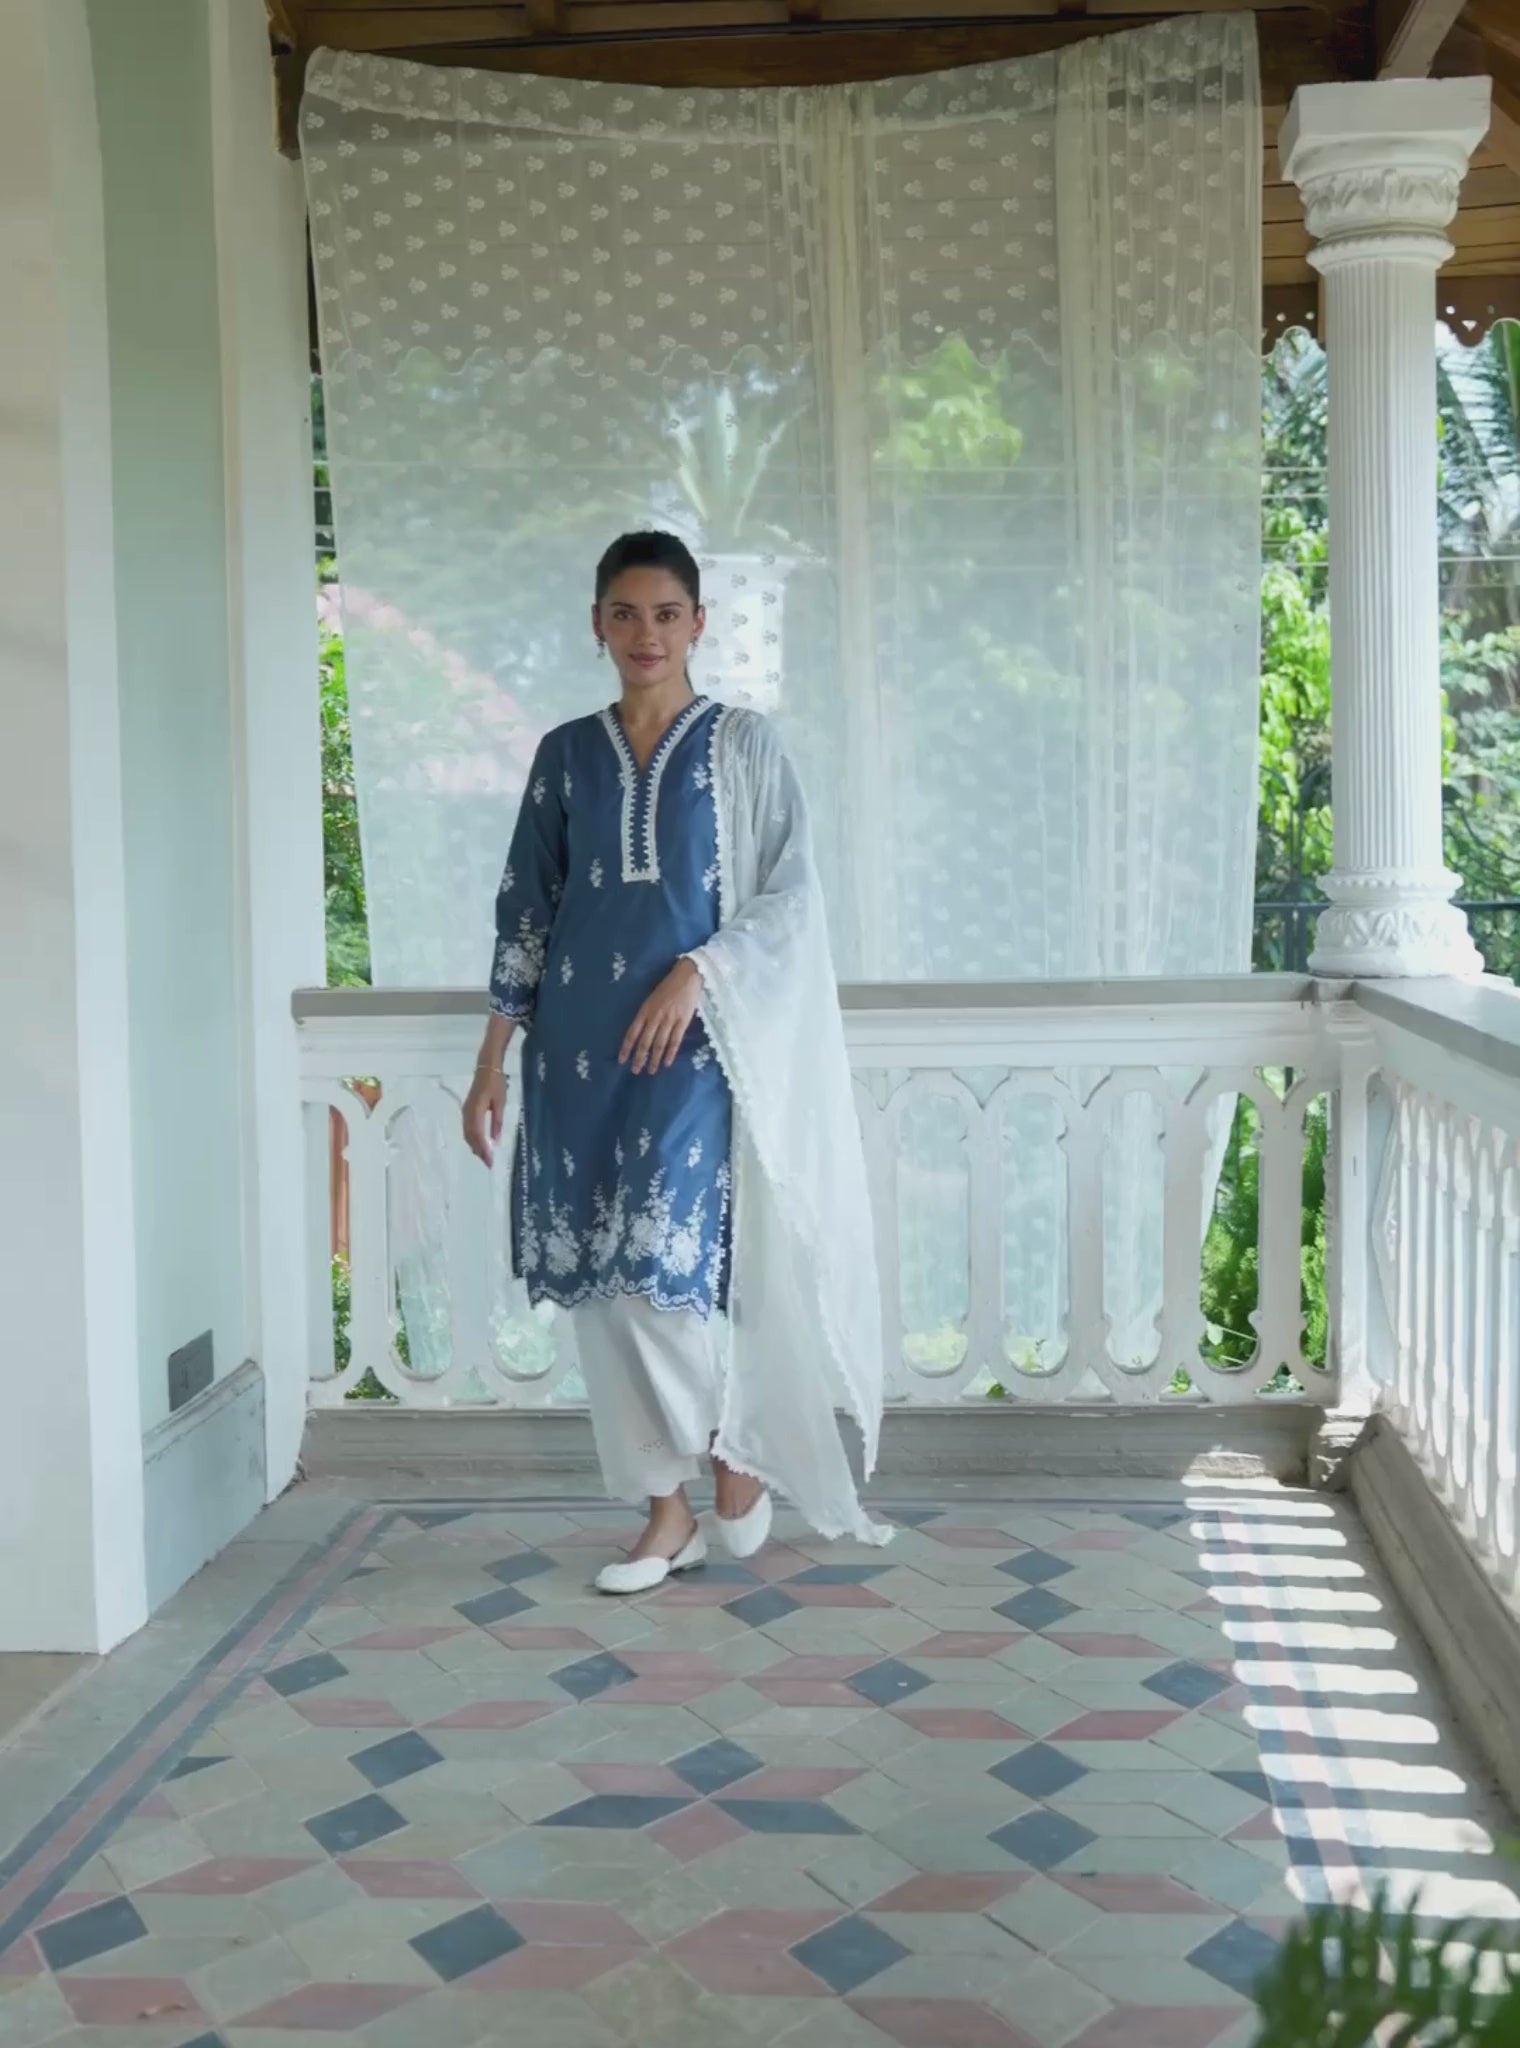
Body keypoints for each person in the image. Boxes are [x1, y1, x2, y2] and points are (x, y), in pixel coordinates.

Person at [462, 531, 889, 1593]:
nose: (644, 634)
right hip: (572, 1057)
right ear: (596, 625)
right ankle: (665, 1512)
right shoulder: (564, 756)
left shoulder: (742, 747)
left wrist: (698, 970)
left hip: (694, 1050)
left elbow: (791, 896)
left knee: (660, 1274)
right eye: (624, 613)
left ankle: (731, 1446)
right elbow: (526, 914)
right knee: (602, 1292)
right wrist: (491, 1064)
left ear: (698, 623)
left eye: (664, 614)